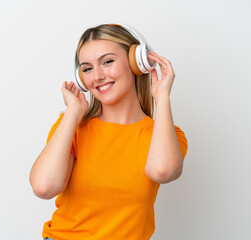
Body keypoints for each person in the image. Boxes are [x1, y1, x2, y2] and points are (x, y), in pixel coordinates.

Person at [29, 23, 188, 240]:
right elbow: (44, 187)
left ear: (136, 63)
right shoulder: (71, 126)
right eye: (87, 68)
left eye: (107, 62)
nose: (98, 76)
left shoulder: (166, 135)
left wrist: (162, 97)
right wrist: (74, 111)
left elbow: (163, 171)